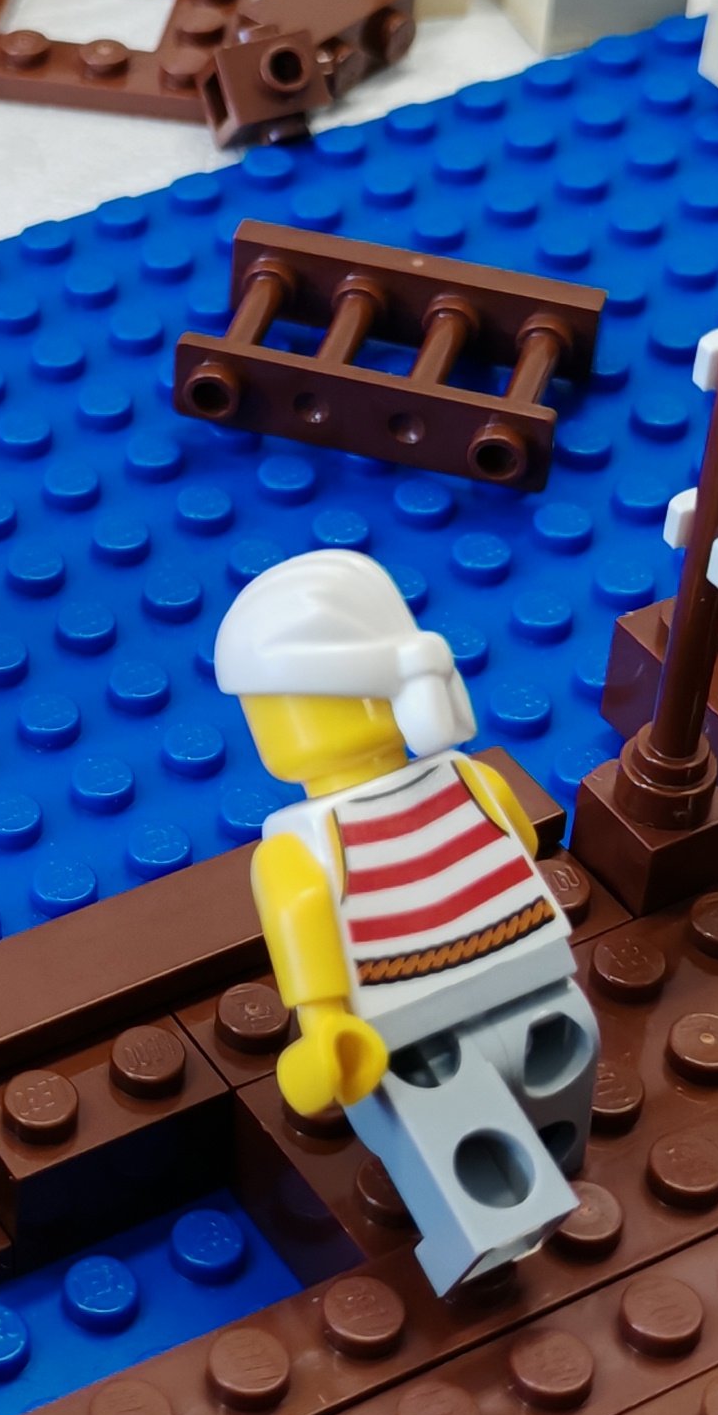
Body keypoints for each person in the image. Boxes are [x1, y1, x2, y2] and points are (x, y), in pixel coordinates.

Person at [217, 547, 595, 1286]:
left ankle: (506, 1215)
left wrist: (325, 1023)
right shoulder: (472, 777)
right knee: (522, 1086)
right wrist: (327, 1028)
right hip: (519, 977)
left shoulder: (298, 847)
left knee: (463, 1116)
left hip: (412, 1013)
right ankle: (531, 1187)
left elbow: (305, 929)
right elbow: (518, 843)